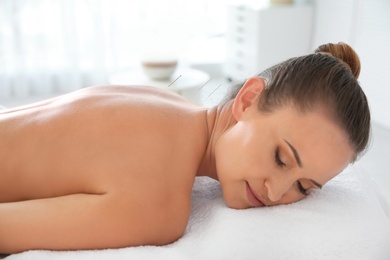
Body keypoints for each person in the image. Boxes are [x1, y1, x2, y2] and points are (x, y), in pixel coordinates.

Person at [0, 42, 370, 254]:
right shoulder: (160, 204)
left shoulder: (163, 101)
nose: (275, 190)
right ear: (248, 99)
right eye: (281, 158)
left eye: (304, 188)